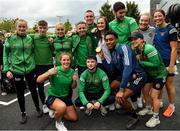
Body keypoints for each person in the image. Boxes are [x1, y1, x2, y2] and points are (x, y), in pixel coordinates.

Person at [102, 31, 147, 129]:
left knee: (120, 98)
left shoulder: (123, 47)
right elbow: (111, 69)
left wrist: (121, 89)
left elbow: (128, 68)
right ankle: (126, 107)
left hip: (137, 75)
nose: (108, 42)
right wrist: (103, 59)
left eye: (111, 39)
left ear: (116, 39)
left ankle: (135, 117)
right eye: (106, 40)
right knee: (110, 87)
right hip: (126, 75)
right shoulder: (113, 52)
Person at [3, 19, 41, 124]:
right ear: (16, 27)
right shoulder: (10, 39)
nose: (22, 28)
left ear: (26, 27)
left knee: (34, 90)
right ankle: (23, 112)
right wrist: (7, 69)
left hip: (30, 68)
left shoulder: (30, 38)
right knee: (20, 93)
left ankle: (38, 108)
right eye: (20, 26)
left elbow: (42, 36)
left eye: (24, 26)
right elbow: (5, 54)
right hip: (17, 69)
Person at [130, 32, 168, 127]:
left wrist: (141, 62)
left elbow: (156, 64)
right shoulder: (137, 49)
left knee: (154, 95)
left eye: (135, 39)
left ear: (142, 40)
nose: (133, 41)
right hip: (150, 73)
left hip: (159, 74)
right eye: (132, 39)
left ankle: (156, 118)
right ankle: (148, 108)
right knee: (145, 91)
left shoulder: (149, 48)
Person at [37, 52, 78, 131]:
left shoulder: (72, 71)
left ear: (70, 61)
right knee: (61, 107)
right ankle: (58, 122)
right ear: (60, 61)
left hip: (65, 97)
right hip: (53, 96)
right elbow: (38, 80)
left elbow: (73, 87)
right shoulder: (55, 70)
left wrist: (74, 81)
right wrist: (49, 73)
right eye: (64, 60)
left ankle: (57, 111)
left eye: (68, 60)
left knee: (74, 118)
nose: (66, 62)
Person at [153, 9, 178, 118]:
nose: (157, 18)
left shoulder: (171, 29)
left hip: (169, 63)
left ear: (164, 17)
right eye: (155, 16)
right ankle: (161, 101)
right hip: (159, 64)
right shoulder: (156, 29)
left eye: (159, 16)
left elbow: (174, 49)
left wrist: (172, 66)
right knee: (160, 85)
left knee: (169, 85)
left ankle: (172, 106)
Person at [30, 20, 54, 114]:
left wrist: (51, 44)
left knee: (54, 84)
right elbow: (21, 35)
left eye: (44, 28)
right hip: (38, 65)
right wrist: (8, 36)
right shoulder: (32, 37)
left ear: (47, 28)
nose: (42, 30)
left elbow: (53, 50)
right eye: (40, 28)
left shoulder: (50, 38)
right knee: (40, 87)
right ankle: (44, 104)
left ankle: (53, 103)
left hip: (49, 65)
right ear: (37, 28)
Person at [136, 13, 156, 108]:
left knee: (150, 81)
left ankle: (151, 101)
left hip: (150, 60)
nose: (143, 22)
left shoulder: (153, 30)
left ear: (149, 21)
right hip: (139, 59)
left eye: (146, 20)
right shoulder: (135, 31)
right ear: (139, 20)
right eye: (142, 20)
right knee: (139, 79)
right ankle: (139, 97)